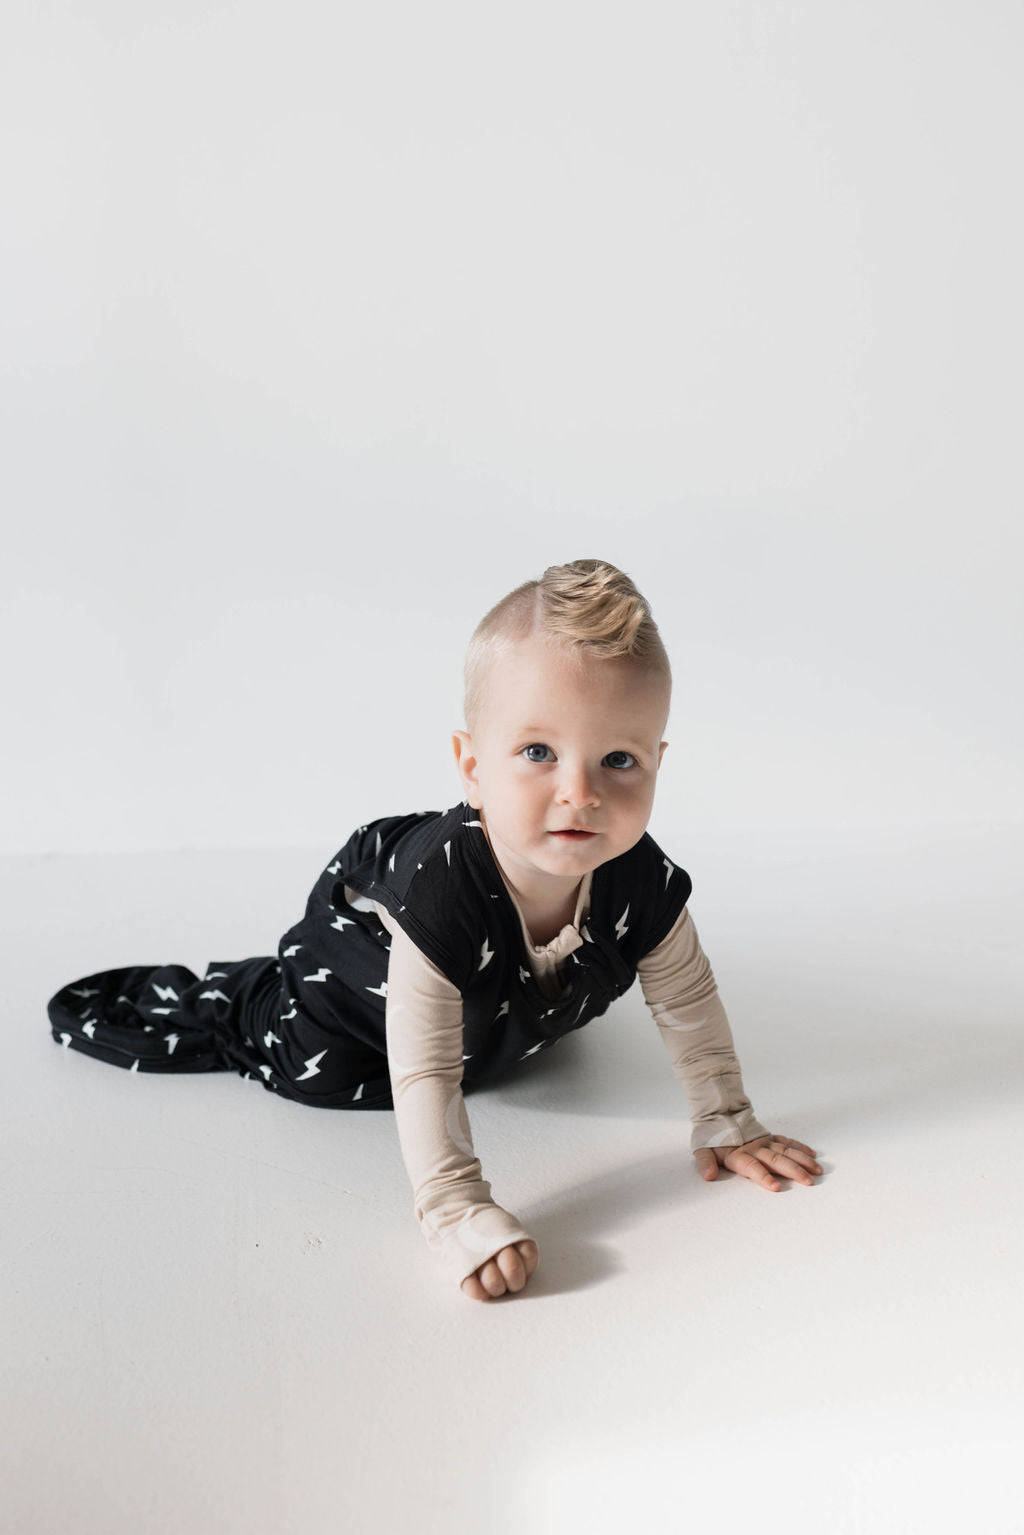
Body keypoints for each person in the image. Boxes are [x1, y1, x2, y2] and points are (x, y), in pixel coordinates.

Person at [48, 558, 821, 1302]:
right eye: (537, 752)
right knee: (317, 1060)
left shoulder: (638, 876)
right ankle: (260, 1005)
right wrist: (455, 1209)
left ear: (658, 761)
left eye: (618, 758)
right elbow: (422, 1070)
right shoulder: (445, 886)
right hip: (360, 985)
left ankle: (516, 1006)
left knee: (520, 1026)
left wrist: (726, 1115)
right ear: (472, 766)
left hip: (491, 1004)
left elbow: (688, 996)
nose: (578, 793)